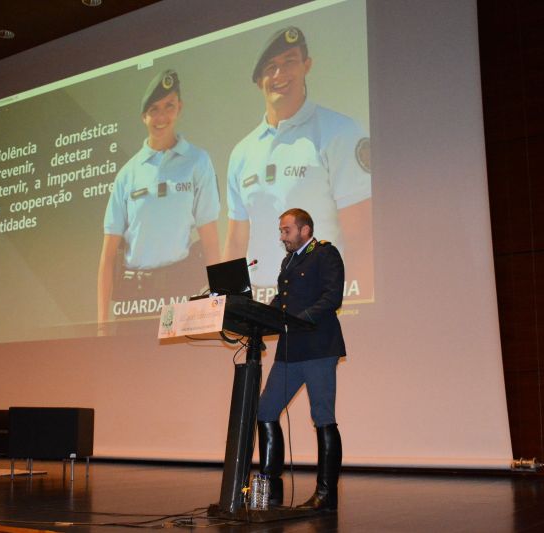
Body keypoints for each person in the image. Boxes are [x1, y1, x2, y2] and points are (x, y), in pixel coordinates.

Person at [223, 26, 372, 300]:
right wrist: (226, 310)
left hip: (317, 300)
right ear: (259, 80)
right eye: (270, 67)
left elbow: (361, 235)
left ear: (307, 65)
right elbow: (235, 243)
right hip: (259, 308)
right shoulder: (242, 152)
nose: (279, 74)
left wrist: (356, 306)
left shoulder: (340, 132)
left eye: (289, 62)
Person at [97, 70, 220, 333]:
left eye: (169, 106)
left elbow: (211, 243)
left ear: (180, 108)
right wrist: (101, 326)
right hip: (134, 301)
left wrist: (221, 308)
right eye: (154, 109)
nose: (161, 117)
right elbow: (108, 257)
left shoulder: (198, 162)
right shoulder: (127, 174)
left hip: (181, 293)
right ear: (144, 116)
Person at [257, 207, 345, 512]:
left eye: (287, 230)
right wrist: (261, 314)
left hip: (319, 346)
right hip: (289, 350)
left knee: (323, 416)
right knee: (266, 410)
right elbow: (282, 301)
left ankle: (326, 494)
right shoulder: (288, 261)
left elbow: (332, 297)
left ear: (305, 230)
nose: (282, 237)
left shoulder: (326, 254)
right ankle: (270, 486)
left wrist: (301, 319)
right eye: (281, 231)